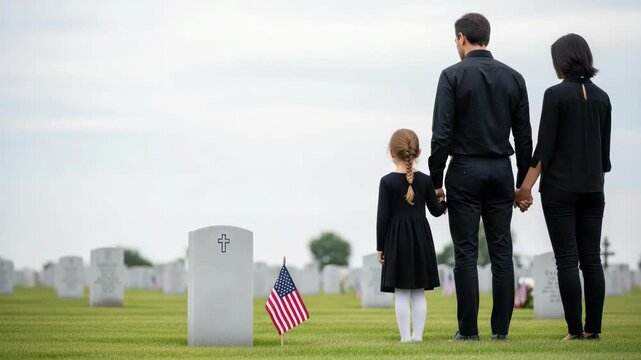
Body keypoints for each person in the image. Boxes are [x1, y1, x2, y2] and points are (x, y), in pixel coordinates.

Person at [428, 13, 533, 341]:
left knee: (466, 252)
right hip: (501, 170)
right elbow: (524, 136)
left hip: (464, 170)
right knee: (502, 250)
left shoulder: (451, 76)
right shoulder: (514, 78)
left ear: (461, 38)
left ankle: (469, 332)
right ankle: (500, 332)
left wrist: (436, 179)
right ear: (485, 37)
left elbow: (441, 135)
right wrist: (521, 184)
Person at [515, 33, 611, 341]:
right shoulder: (603, 98)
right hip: (594, 189)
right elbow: (604, 156)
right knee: (592, 259)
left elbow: (545, 147)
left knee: (567, 260)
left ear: (561, 61)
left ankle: (574, 331)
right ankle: (593, 329)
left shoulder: (554, 96)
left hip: (559, 190)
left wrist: (525, 188)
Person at [377, 129, 446, 342]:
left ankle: (405, 338)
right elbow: (436, 211)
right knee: (418, 293)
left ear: (391, 152)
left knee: (401, 293)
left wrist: (381, 247)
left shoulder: (386, 182)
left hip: (396, 241)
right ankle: (418, 337)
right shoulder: (426, 181)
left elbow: (382, 219)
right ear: (418, 152)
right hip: (420, 239)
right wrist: (445, 201)